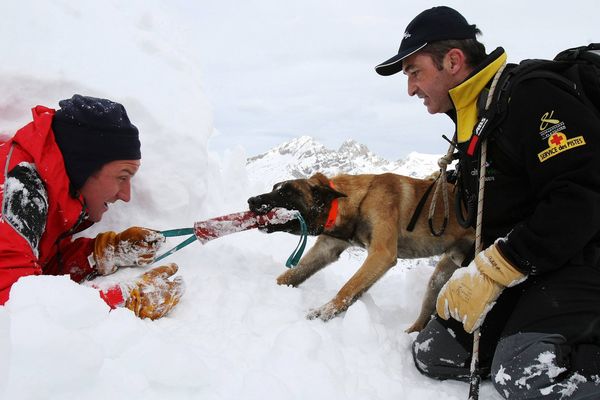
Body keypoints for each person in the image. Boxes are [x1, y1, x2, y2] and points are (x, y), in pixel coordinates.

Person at [376, 6, 600, 399]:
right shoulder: (477, 120)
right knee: (436, 353)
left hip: (584, 258)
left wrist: (499, 267)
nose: (410, 88)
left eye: (414, 71)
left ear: (453, 60)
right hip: (539, 267)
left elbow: (582, 196)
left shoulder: (531, 98)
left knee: (525, 373)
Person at [0, 94, 184, 320]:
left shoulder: (48, 186)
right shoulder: (16, 189)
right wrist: (124, 299)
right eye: (122, 177)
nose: (126, 195)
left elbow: (36, 267)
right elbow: (19, 310)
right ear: (83, 167)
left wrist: (102, 253)